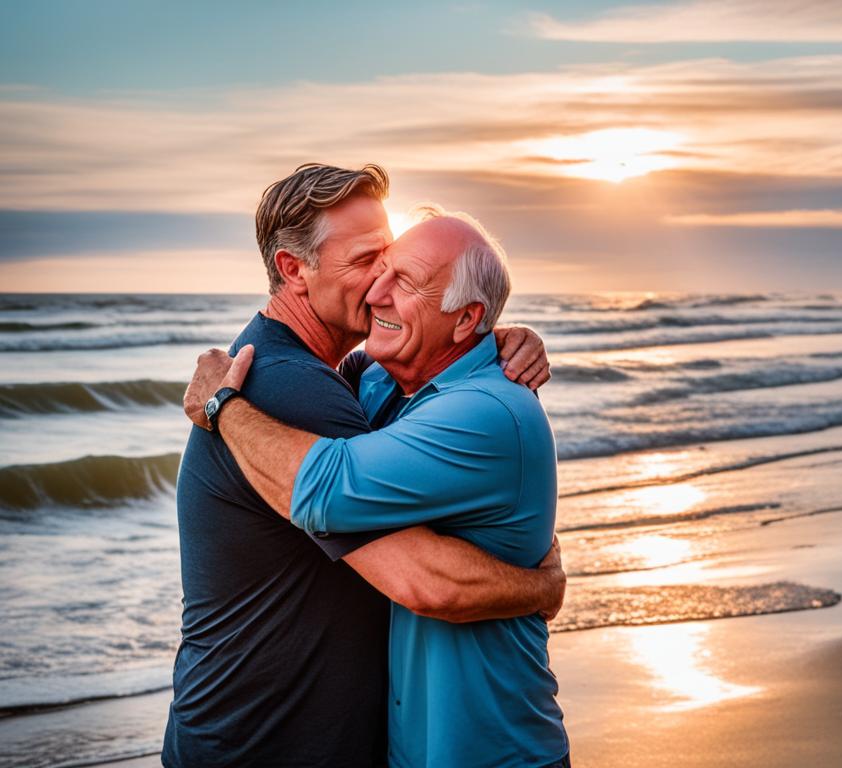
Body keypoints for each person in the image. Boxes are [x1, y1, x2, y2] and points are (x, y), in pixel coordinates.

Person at [163, 164, 563, 768]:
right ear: (293, 270)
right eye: (364, 262)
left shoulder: (332, 376)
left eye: (392, 261)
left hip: (256, 732)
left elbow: (420, 376)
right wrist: (542, 585)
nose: (379, 285)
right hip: (267, 743)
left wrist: (488, 338)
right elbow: (427, 580)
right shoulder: (290, 392)